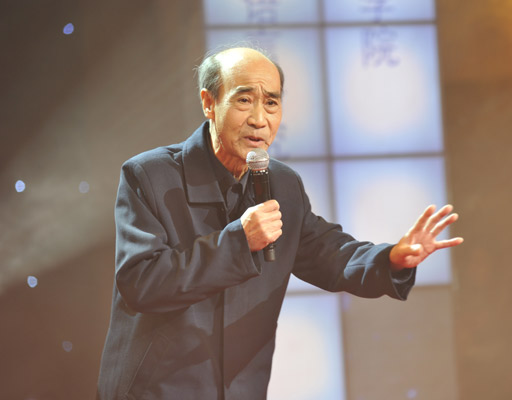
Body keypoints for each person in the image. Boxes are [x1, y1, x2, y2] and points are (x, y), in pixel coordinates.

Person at [96, 46, 463, 400]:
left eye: (271, 102)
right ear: (209, 103)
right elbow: (141, 283)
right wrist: (239, 243)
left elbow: (329, 253)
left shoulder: (282, 184)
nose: (260, 119)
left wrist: (391, 259)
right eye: (244, 100)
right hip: (156, 391)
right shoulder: (150, 176)